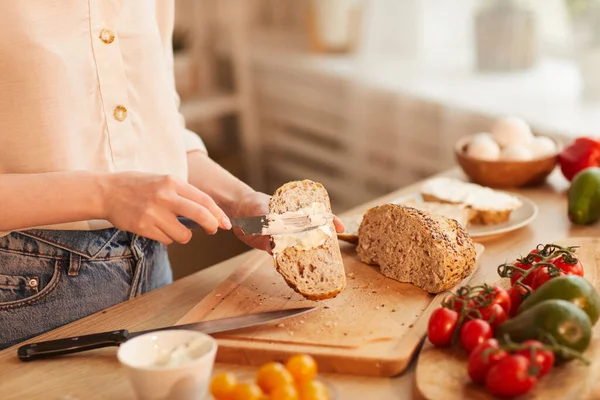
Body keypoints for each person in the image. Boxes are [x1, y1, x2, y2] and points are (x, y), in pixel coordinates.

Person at [0, 1, 343, 350]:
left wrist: (240, 200)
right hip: (26, 291)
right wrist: (105, 195)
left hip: (153, 272)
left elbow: (157, 137)